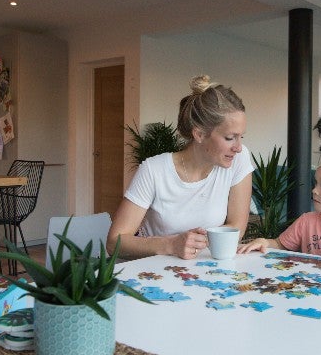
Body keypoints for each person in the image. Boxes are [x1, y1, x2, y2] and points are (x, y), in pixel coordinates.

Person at [107, 75, 253, 260]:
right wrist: (171, 244)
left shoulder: (238, 159)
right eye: (230, 138)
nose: (238, 147)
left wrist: (193, 242)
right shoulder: (154, 170)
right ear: (199, 134)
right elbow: (114, 242)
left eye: (241, 137)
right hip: (152, 273)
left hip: (205, 271)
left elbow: (237, 227)